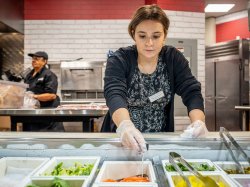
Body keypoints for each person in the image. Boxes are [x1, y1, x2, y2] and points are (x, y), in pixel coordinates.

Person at [103, 5, 208, 153]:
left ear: (164, 34)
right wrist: (125, 126)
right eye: (142, 35)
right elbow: (114, 93)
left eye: (156, 36)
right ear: (133, 34)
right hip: (122, 140)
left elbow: (191, 91)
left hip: (160, 141)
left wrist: (198, 121)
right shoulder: (120, 59)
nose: (149, 43)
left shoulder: (173, 58)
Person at [23, 51, 64, 131]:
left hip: (47, 114)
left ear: (45, 61)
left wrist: (34, 97)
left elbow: (51, 95)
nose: (33, 60)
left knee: (48, 139)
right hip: (33, 113)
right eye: (33, 59)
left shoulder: (49, 75)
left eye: (37, 59)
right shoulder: (29, 75)